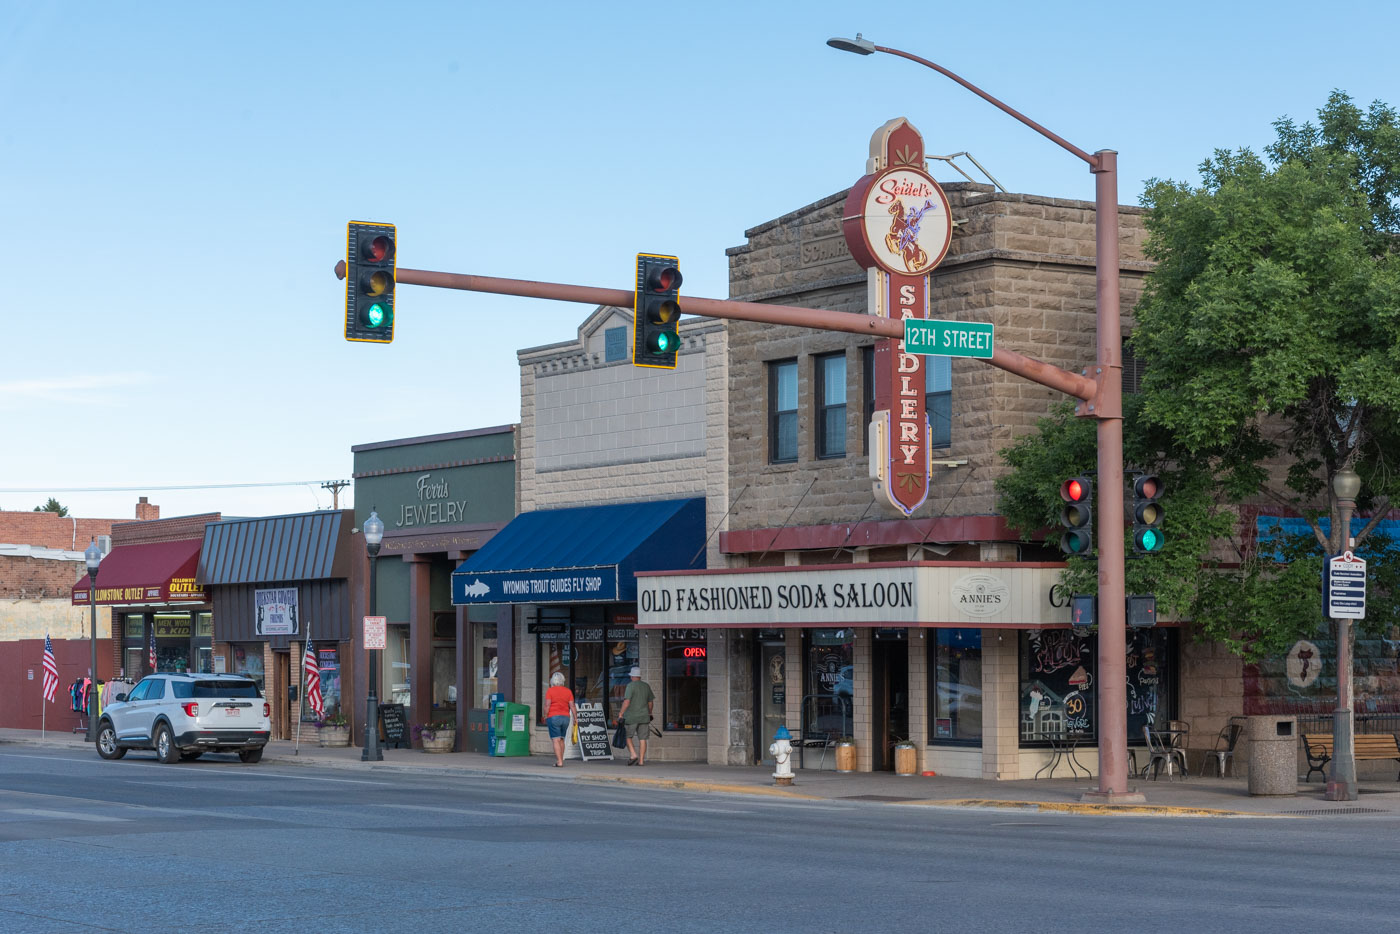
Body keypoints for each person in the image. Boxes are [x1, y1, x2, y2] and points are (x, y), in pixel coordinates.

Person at [616, 666, 654, 766]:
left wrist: (621, 713)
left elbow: (627, 701)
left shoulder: (630, 686)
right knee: (643, 739)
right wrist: (650, 713)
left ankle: (633, 755)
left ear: (632, 677)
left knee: (627, 736)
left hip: (631, 716)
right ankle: (641, 761)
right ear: (639, 676)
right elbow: (650, 702)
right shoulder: (646, 686)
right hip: (644, 716)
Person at [543, 671, 577, 767]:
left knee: (555, 740)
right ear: (563, 681)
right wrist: (575, 718)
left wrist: (545, 715)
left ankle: (559, 762)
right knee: (561, 739)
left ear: (552, 681)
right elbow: (572, 706)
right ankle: (561, 760)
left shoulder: (550, 691)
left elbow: (547, 705)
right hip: (565, 717)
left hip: (553, 717)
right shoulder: (568, 691)